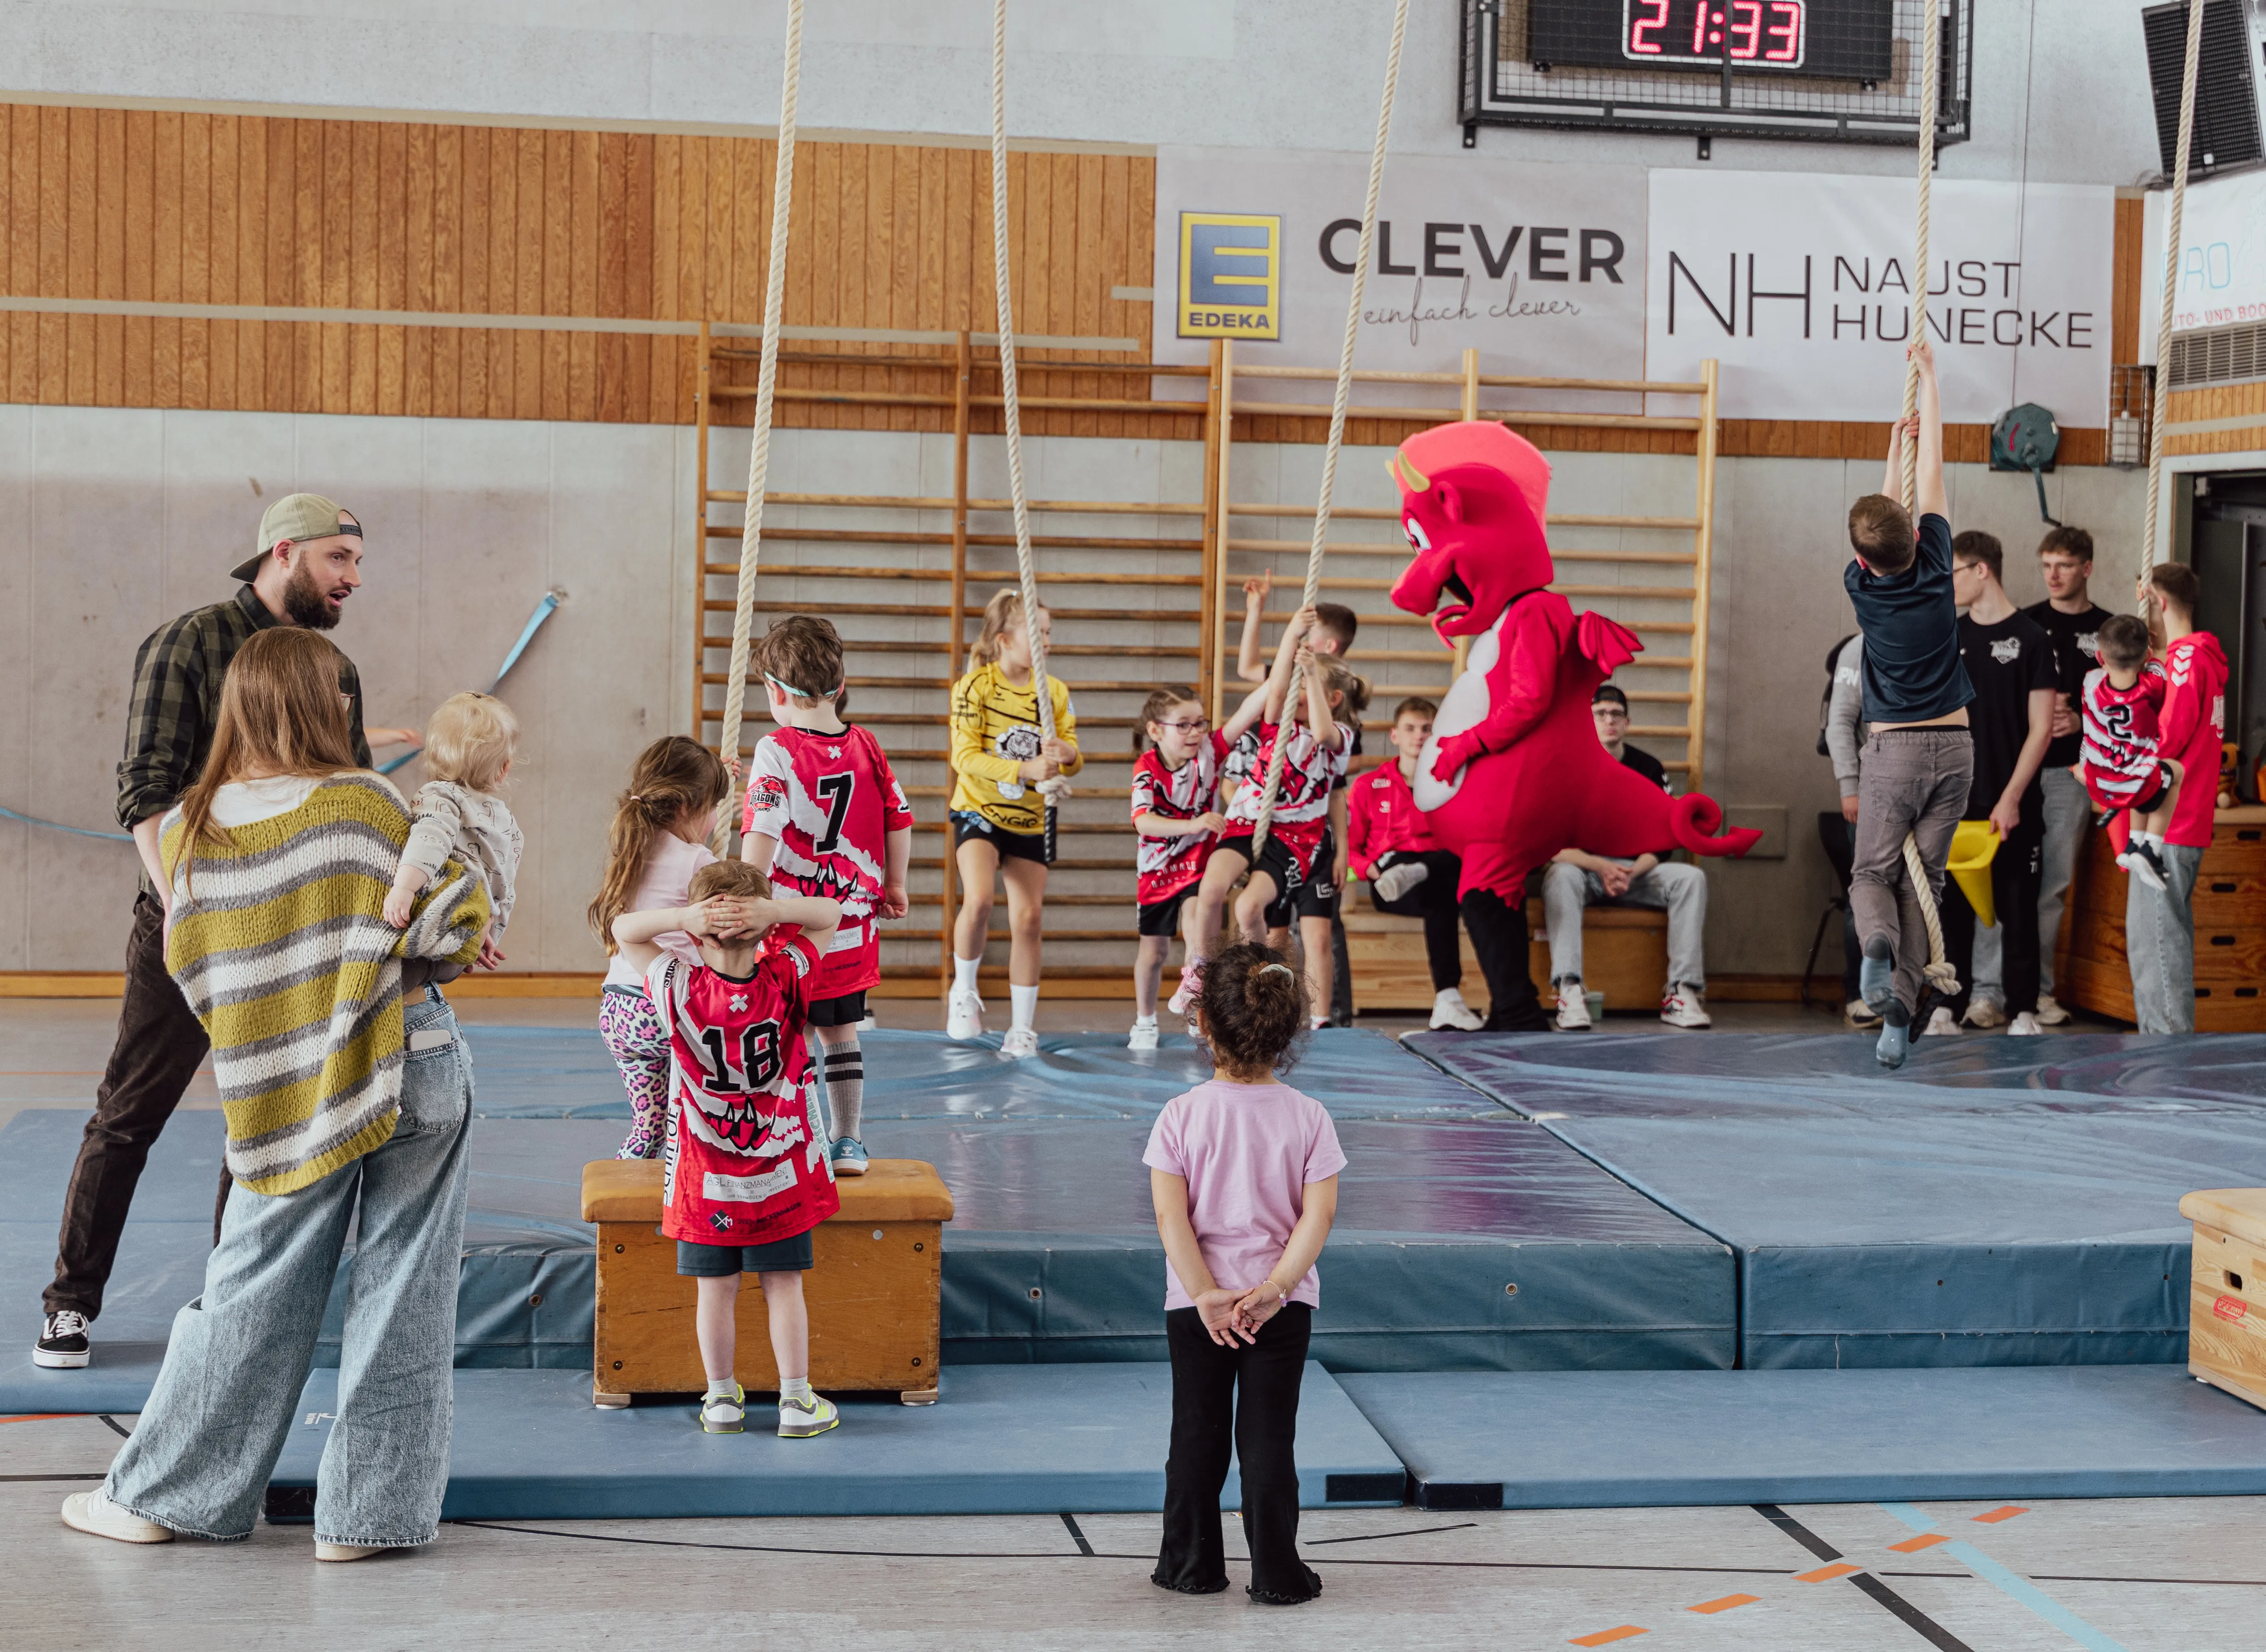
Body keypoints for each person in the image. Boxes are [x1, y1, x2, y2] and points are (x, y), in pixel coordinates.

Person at [61, 626, 489, 1556]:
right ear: (315, 702)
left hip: (286, 1084)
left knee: (250, 1286)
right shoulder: (367, 804)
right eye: (339, 691)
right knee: (407, 1295)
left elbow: (190, 960)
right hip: (413, 1054)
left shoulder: (190, 828)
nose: (347, 705)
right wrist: (422, 935)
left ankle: (164, 1498)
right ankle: (368, 1522)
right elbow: (455, 923)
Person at [36, 491, 419, 1373]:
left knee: (265, 1112)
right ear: (284, 552)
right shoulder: (189, 643)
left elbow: (348, 794)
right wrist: (183, 901)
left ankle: (232, 1304)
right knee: (129, 1113)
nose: (354, 578)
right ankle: (70, 1304)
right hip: (191, 916)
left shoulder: (335, 667)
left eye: (357, 562)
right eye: (339, 559)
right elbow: (147, 788)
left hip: (292, 929)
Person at [613, 861, 845, 1439]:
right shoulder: (787, 976)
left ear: (697, 934)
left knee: (714, 1290)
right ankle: (797, 1400)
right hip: (780, 1173)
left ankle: (720, 1399)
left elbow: (623, 929)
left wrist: (686, 917)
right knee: (783, 1283)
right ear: (765, 929)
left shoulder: (676, 985)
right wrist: (774, 912)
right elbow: (831, 913)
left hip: (705, 1177)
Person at [1144, 942, 1343, 1607]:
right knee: (1267, 1440)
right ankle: (1276, 1572)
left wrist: (1204, 1292)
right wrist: (1275, 1289)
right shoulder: (1309, 1116)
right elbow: (1316, 1217)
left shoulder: (1181, 1114)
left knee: (1195, 1434)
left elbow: (1171, 1217)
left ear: (1202, 1022)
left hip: (1197, 1305)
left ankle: (1189, 1564)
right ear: (1288, 1030)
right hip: (1276, 1306)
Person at [739, 617, 913, 1176]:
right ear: (840, 687)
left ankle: (798, 1132)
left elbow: (762, 830)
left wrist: (746, 897)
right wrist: (895, 883)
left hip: (790, 925)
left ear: (775, 692)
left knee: (786, 1028)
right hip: (851, 922)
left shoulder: (776, 749)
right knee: (841, 1031)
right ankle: (848, 1138)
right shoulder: (867, 744)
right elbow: (899, 818)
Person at [1843, 335, 1974, 1070]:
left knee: (1873, 876)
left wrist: (1895, 439)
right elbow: (1931, 477)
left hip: (1893, 750)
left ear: (1862, 561)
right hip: (1954, 746)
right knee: (1926, 885)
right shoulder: (1936, 567)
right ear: (1917, 540)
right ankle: (1898, 1010)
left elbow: (1888, 514)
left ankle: (1876, 946)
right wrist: (1929, 379)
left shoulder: (1860, 587)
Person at [1178, 612, 1355, 1030]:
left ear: (1331, 699)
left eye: (1306, 689)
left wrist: (1310, 673)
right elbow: (1276, 688)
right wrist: (1293, 633)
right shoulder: (1278, 726)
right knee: (1211, 891)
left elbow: (1324, 734)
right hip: (1248, 820)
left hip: (1293, 837)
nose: (1297, 693)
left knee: (1248, 908)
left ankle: (1260, 978)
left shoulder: (1340, 738)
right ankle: (1199, 973)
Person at [1925, 532, 2056, 1039]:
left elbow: (2041, 729)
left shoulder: (2032, 637)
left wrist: (2011, 796)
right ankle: (1946, 1006)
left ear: (1982, 570)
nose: (1946, 585)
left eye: (1952, 573)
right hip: (1955, 804)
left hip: (2011, 803)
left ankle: (2022, 1010)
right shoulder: (1949, 637)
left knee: (2018, 908)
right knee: (1951, 913)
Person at [945, 588, 1082, 1058]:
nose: (1048, 641)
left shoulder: (1055, 692)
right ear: (1004, 640)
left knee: (1029, 917)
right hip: (979, 810)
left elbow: (1072, 754)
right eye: (1037, 633)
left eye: (1050, 633)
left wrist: (1067, 755)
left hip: (1029, 818)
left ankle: (1022, 1027)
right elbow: (964, 757)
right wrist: (1024, 769)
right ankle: (964, 990)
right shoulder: (974, 687)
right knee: (980, 898)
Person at [588, 737, 732, 1161]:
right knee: (696, 1123)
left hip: (619, 1012)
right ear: (686, 807)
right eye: (713, 808)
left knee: (648, 1128)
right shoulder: (697, 860)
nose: (715, 820)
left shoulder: (630, 847)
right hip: (666, 1012)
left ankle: (627, 1185)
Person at [1542, 685, 1712, 1030]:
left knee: (1691, 879)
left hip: (1637, 872)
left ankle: (1681, 993)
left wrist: (1632, 871)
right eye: (1600, 714)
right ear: (1588, 721)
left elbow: (1667, 838)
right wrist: (1602, 867)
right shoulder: (1565, 767)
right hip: (1586, 872)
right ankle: (1569, 990)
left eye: (1616, 714)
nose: (1609, 720)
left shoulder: (1648, 768)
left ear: (1627, 722)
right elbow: (1550, 845)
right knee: (1560, 876)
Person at [1235, 578, 1361, 1026]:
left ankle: (1327, 1017)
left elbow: (1337, 788)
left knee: (1321, 935)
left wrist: (1343, 851)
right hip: (1277, 835)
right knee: (1275, 931)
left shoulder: (1337, 723)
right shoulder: (1288, 698)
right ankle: (1275, 1009)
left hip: (1313, 841)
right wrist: (1257, 610)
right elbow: (1249, 668)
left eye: (1308, 633)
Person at [2125, 563, 2227, 1033]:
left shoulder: (2186, 660)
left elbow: (2167, 737)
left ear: (2160, 602)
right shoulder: (2201, 658)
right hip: (2186, 819)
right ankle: (2167, 1041)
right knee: (2164, 935)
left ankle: (2165, 1046)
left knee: (2156, 943)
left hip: (2169, 822)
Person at [2014, 524, 2110, 1026]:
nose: (2053, 575)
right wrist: (2034, 714)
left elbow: (2132, 710)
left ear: (2086, 568)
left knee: (2052, 885)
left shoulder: (2109, 630)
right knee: (2005, 883)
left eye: (2064, 566)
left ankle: (2039, 991)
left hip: (2072, 773)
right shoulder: (2024, 625)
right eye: (2047, 565)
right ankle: (1988, 991)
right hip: (2017, 773)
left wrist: (2081, 722)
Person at [1347, 696, 1482, 1031]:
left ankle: (1448, 998)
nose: (1419, 736)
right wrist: (1372, 871)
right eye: (1410, 729)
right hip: (1390, 880)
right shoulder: (1368, 785)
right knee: (1415, 869)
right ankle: (1448, 999)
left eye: (1426, 729)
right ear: (1395, 735)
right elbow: (1349, 849)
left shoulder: (1452, 784)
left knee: (1446, 881)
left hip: (1440, 876)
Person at [383, 691, 522, 968]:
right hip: (477, 920)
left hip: (442, 909)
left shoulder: (440, 795)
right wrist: (487, 934)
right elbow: (505, 887)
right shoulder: (507, 821)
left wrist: (404, 888)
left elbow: (430, 840)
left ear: (433, 757)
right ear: (504, 769)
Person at [1129, 686, 1230, 1049]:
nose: (1194, 733)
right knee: (1154, 952)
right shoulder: (1147, 767)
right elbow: (1144, 822)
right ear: (1156, 731)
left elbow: (1248, 714)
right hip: (1157, 871)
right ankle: (1145, 1020)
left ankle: (1195, 1007)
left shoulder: (1209, 753)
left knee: (1196, 927)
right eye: (1183, 725)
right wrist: (1193, 824)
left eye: (1200, 724)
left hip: (1196, 865)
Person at [2078, 613, 2185, 886]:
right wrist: (2153, 612)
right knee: (2174, 772)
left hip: (2100, 785)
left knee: (2141, 767)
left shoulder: (2090, 683)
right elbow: (2162, 650)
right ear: (2146, 656)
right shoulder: (2153, 686)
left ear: (2100, 657)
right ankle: (2151, 848)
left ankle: (2132, 844)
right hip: (2136, 784)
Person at [1824, 632, 1879, 1028]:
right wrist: (1850, 788)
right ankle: (1861, 995)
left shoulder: (1934, 636)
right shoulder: (1860, 648)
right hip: (1871, 794)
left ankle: (1902, 990)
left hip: (1924, 795)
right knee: (1867, 894)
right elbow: (1840, 722)